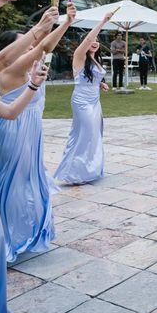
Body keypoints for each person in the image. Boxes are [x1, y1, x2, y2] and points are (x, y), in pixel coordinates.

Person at [0, 0, 54, 313]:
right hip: (11, 139)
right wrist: (41, 30)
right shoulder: (3, 69)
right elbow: (2, 62)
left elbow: (10, 111)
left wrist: (35, 84)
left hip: (22, 127)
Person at [0, 3, 76, 262]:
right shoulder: (9, 69)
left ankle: (23, 230)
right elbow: (43, 46)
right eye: (22, 44)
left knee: (27, 181)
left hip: (30, 129)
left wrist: (66, 23)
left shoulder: (29, 68)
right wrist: (50, 25)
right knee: (13, 184)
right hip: (14, 130)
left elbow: (46, 47)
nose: (29, 47)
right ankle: (7, 235)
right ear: (10, 50)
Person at [55, 13, 114, 185]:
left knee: (95, 134)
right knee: (84, 135)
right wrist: (103, 21)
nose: (95, 42)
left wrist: (100, 84)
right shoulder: (79, 56)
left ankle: (90, 169)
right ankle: (74, 173)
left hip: (95, 102)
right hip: (82, 102)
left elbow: (91, 78)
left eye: (97, 39)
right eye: (92, 39)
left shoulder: (95, 59)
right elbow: (87, 42)